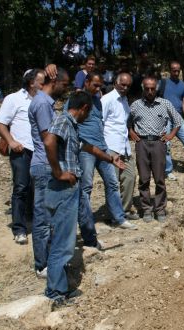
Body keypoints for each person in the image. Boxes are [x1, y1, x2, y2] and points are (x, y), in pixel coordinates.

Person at [43, 91, 125, 305]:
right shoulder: (63, 121)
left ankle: (62, 288)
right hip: (62, 189)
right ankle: (55, 293)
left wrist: (110, 158)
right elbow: (49, 141)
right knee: (62, 242)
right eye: (90, 112)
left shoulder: (72, 126)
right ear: (85, 108)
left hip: (69, 189)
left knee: (65, 241)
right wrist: (58, 172)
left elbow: (87, 147)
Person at [65, 72, 137, 231]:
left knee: (112, 183)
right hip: (86, 149)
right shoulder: (76, 99)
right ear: (86, 82)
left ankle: (118, 217)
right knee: (86, 186)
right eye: (95, 85)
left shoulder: (97, 100)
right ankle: (85, 222)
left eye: (100, 86)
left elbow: (101, 122)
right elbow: (68, 120)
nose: (98, 88)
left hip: (102, 147)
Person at [28, 67, 70, 278]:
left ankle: (50, 259)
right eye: (65, 84)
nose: (66, 89)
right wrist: (58, 170)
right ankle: (42, 264)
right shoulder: (43, 103)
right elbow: (48, 139)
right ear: (55, 82)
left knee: (50, 217)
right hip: (46, 166)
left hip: (46, 165)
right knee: (43, 218)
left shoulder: (44, 102)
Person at [0, 69, 45, 244]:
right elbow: (0, 122)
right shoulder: (13, 99)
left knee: (35, 187)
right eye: (41, 82)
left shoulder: (41, 100)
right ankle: (19, 229)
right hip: (20, 150)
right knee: (21, 187)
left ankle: (31, 219)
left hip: (38, 150)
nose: (44, 85)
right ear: (32, 83)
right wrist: (11, 141)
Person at [128, 77, 182, 222]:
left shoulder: (165, 104)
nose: (150, 91)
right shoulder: (135, 105)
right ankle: (146, 209)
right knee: (144, 179)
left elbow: (177, 121)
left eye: (152, 88)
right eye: (147, 88)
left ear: (156, 88)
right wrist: (131, 132)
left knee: (160, 179)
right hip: (142, 144)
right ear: (143, 88)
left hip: (159, 143)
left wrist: (170, 135)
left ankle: (160, 209)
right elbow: (128, 122)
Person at [102, 73, 138, 220]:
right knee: (113, 183)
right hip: (111, 146)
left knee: (130, 177)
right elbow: (100, 123)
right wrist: (104, 149)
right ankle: (114, 215)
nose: (125, 88)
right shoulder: (106, 99)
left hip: (124, 146)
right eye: (123, 84)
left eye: (128, 85)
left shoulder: (124, 101)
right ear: (116, 83)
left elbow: (124, 123)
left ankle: (123, 210)